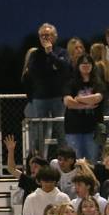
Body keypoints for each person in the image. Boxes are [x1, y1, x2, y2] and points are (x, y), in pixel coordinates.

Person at [27, 23, 70, 157]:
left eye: (48, 35)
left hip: (59, 98)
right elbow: (34, 74)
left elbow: (65, 69)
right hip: (40, 98)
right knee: (39, 135)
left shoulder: (62, 52)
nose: (45, 38)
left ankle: (65, 163)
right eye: (42, 35)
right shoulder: (35, 55)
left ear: (55, 37)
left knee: (62, 132)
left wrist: (50, 54)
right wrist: (53, 68)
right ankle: (40, 164)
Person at [63, 55, 105, 161]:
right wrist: (86, 105)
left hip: (93, 129)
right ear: (78, 66)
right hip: (73, 128)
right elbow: (68, 102)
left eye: (88, 63)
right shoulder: (71, 82)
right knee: (75, 161)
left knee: (92, 160)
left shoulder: (98, 82)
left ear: (92, 66)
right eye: (83, 63)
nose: (86, 65)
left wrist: (78, 98)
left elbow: (97, 98)